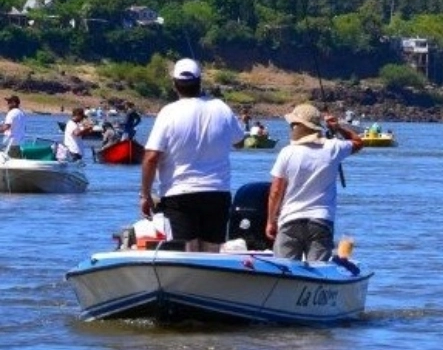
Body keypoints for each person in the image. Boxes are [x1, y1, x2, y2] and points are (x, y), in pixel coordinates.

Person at [140, 59, 246, 252]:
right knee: (212, 253)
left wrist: (145, 195)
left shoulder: (168, 112)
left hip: (179, 195)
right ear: (200, 81)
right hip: (217, 193)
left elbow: (151, 157)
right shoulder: (221, 108)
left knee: (186, 253)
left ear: (174, 85)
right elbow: (239, 142)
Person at [266, 103, 362, 261]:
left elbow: (275, 191)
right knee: (318, 271)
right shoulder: (333, 147)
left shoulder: (287, 152)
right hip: (321, 220)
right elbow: (358, 142)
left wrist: (270, 221)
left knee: (285, 269)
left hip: (290, 219)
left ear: (297, 126)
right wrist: (338, 128)